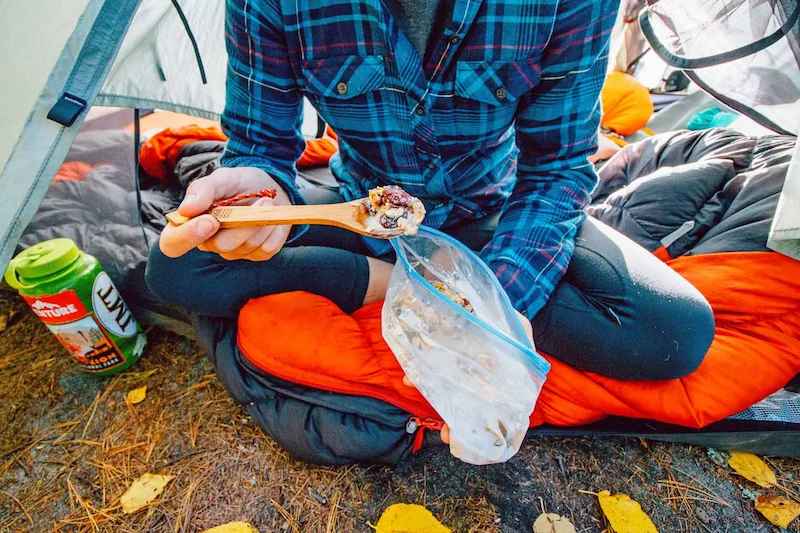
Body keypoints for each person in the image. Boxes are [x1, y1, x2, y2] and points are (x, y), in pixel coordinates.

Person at [147, 0, 715, 415]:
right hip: (356, 206)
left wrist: (490, 308)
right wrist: (257, 190)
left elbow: (557, 167)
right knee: (177, 265)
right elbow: (261, 146)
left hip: (493, 211)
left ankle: (424, 287)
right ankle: (394, 280)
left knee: (673, 330)